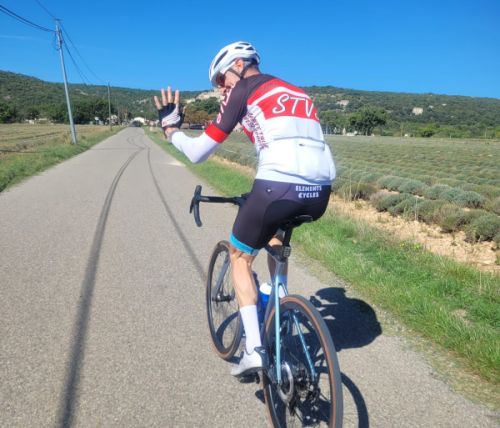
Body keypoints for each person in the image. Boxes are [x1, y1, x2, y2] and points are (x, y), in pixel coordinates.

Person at [153, 41, 336, 377]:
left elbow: (197, 153)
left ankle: (253, 350)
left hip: (276, 187)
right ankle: (279, 299)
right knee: (275, 233)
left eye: (221, 79)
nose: (221, 88)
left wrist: (172, 131)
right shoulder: (297, 92)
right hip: (320, 193)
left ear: (239, 64)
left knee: (240, 256)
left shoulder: (245, 88)